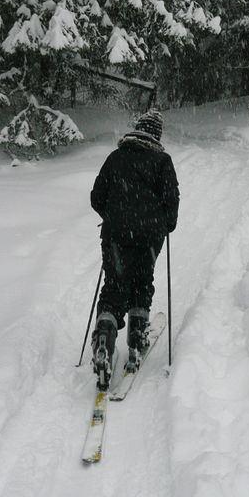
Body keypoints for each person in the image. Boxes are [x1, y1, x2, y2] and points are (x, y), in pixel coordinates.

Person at [89, 108, 179, 388]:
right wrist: (165, 224)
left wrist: (113, 217)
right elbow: (171, 200)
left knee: (114, 286)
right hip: (149, 236)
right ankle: (137, 339)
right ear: (157, 135)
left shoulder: (116, 158)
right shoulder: (162, 161)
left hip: (116, 235)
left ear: (137, 129)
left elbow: (96, 197)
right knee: (142, 282)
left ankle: (104, 340)